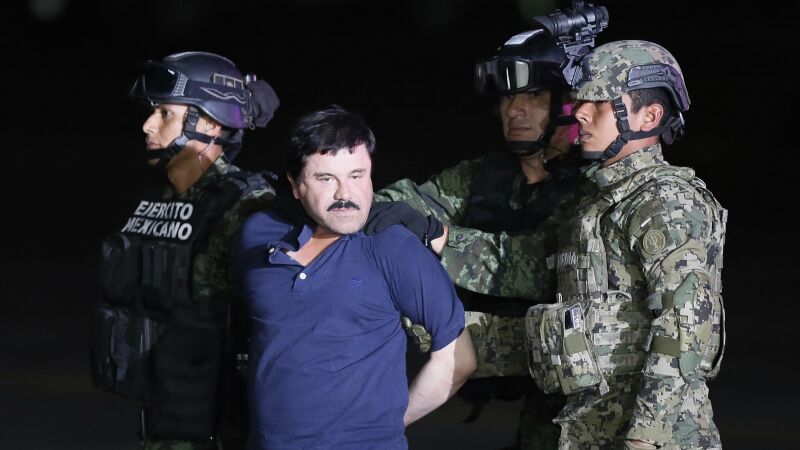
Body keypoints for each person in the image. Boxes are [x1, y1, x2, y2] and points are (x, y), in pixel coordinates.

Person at [468, 40, 726, 449]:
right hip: (586, 430)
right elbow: (575, 320)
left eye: (599, 102)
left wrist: (645, 438)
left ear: (649, 116)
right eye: (581, 100)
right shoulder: (594, 201)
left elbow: (685, 330)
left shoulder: (666, 200)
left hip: (657, 437)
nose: (579, 113)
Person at [368, 27, 593, 449]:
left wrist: (438, 237)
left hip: (584, 385)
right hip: (529, 379)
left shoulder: (593, 185)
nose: (515, 110)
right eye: (507, 97)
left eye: (534, 97)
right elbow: (401, 204)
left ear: (568, 105)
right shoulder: (487, 176)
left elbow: (543, 266)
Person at [232, 105, 477, 450]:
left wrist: (386, 425)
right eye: (326, 178)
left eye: (357, 175)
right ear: (295, 184)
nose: (345, 194)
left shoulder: (392, 246)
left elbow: (459, 359)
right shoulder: (257, 234)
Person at [90, 51, 280, 450]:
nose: (147, 125)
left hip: (221, 435)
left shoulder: (244, 206)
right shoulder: (153, 200)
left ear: (209, 122)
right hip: (162, 424)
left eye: (165, 113)